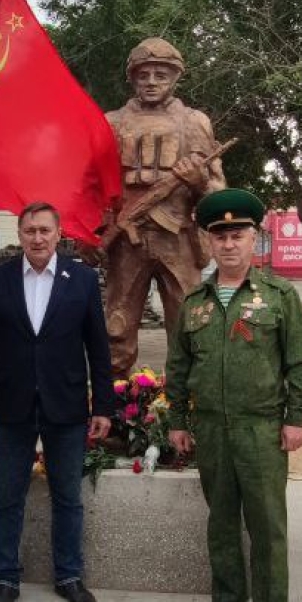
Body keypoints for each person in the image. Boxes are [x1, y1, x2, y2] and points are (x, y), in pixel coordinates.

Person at [166, 189, 302, 602]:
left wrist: (296, 418)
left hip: (262, 430)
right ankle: (228, 598)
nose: (229, 244)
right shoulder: (195, 302)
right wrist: (178, 420)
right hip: (211, 430)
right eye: (220, 237)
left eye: (238, 235)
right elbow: (178, 365)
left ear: (255, 239)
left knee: (267, 525)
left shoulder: (279, 295)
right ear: (210, 244)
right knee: (221, 521)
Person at [0, 202, 114, 602]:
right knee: (7, 497)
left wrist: (103, 404)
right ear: (19, 232)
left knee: (67, 496)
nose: (37, 237)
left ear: (58, 232)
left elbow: (98, 348)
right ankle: (7, 579)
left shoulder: (82, 279)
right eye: (29, 230)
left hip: (65, 406)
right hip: (10, 407)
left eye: (44, 230)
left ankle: (69, 575)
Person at [101, 37, 227, 378]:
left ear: (175, 78)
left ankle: (187, 416)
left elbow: (218, 193)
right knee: (117, 331)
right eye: (144, 74)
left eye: (161, 74)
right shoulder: (111, 124)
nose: (152, 81)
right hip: (127, 244)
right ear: (133, 78)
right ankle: (113, 419)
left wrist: (199, 182)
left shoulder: (194, 123)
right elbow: (92, 188)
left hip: (179, 241)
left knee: (189, 331)